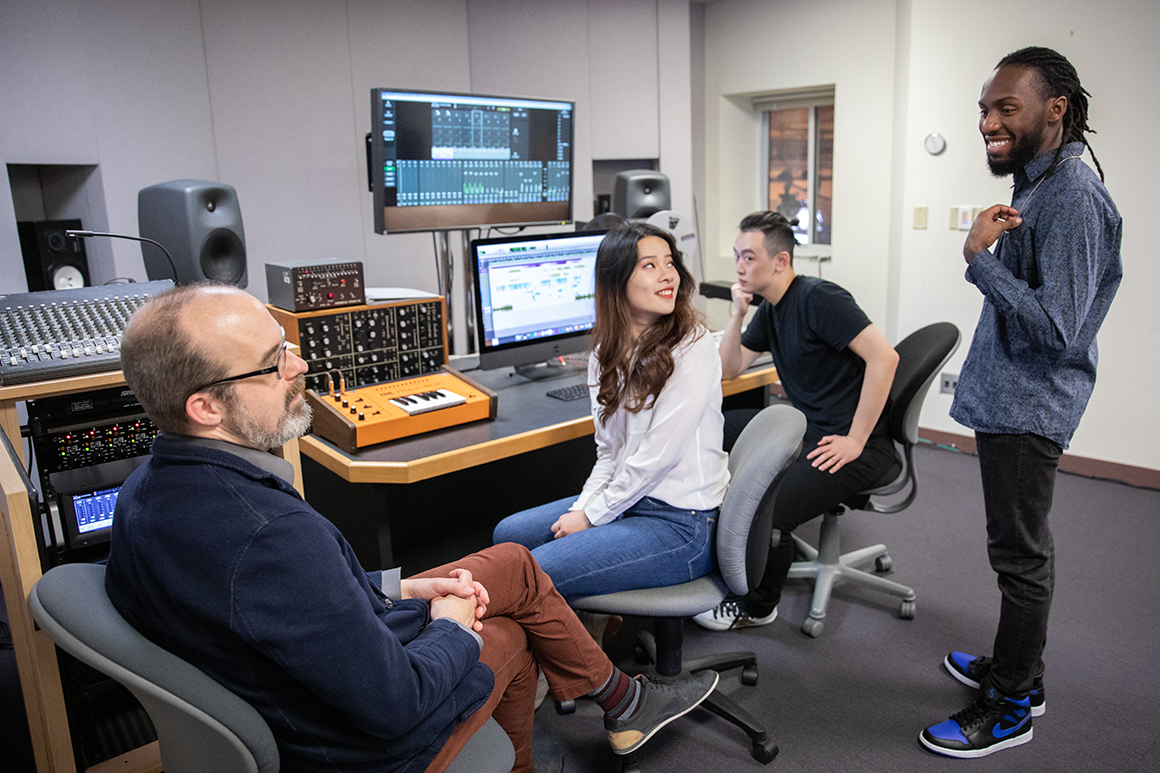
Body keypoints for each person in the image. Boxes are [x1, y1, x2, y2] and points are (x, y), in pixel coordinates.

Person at [103, 284, 718, 773]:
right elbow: (395, 706)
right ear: (205, 407)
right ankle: (599, 714)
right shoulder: (268, 535)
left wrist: (400, 590)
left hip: (318, 672)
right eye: (273, 363)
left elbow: (285, 604)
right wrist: (452, 628)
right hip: (359, 746)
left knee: (512, 561)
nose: (301, 364)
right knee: (502, 633)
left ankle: (621, 703)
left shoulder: (146, 490)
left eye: (285, 346)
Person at [919, 47, 1121, 759]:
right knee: (1015, 549)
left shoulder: (1071, 194)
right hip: (1013, 401)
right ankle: (1019, 673)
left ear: (1056, 110)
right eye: (984, 108)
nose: (988, 121)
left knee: (1021, 556)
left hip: (1031, 407)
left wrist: (978, 260)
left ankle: (1010, 705)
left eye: (1007, 107)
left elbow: (1059, 327)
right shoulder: (1040, 186)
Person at [492, 222, 729, 601]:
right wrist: (585, 509)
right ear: (616, 281)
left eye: (669, 263)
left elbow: (656, 460)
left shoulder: (692, 345)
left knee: (535, 573)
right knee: (509, 535)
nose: (667, 274)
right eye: (649, 265)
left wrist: (589, 517)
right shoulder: (605, 354)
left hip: (683, 523)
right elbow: (609, 454)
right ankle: (591, 627)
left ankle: (586, 660)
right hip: (630, 502)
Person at [691, 210, 899, 631]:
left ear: (781, 261)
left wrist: (856, 440)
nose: (738, 266)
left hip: (850, 445)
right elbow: (729, 368)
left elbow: (885, 357)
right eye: (736, 256)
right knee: (718, 427)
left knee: (769, 508)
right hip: (809, 430)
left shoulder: (819, 298)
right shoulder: (771, 309)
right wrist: (736, 314)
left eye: (749, 257)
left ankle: (758, 604)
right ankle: (711, 555)